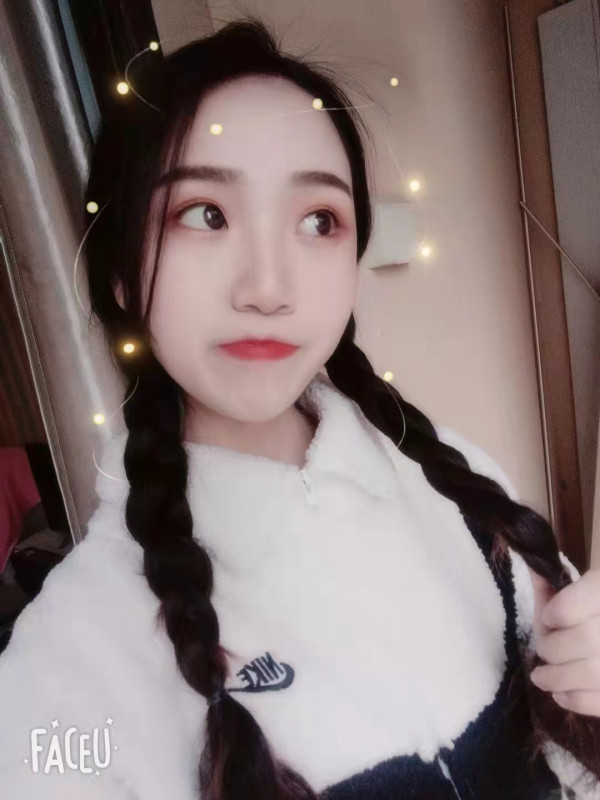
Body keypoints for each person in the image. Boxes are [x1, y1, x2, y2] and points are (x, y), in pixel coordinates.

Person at [1, 16, 599, 800]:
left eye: (319, 221)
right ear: (121, 272)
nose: (269, 287)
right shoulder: (71, 662)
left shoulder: (460, 487)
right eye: (205, 214)